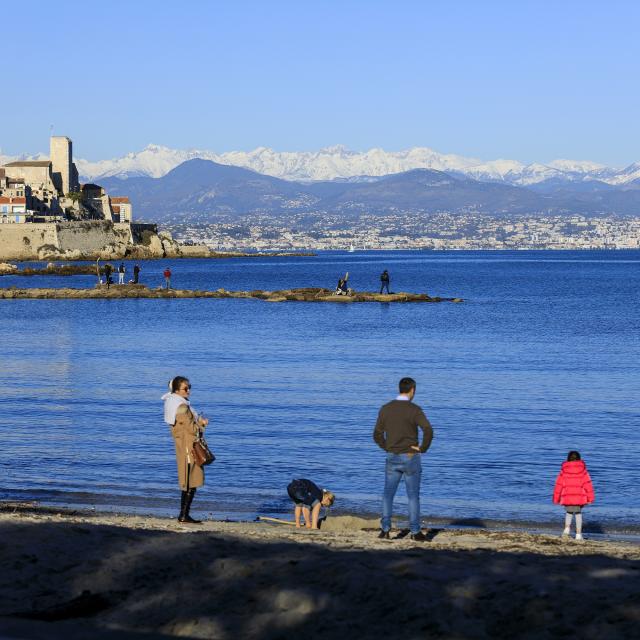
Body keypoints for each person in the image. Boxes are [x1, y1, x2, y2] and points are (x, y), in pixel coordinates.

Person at [373, 377, 434, 541]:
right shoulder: (414, 409)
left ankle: (385, 530)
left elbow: (377, 434)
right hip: (410, 456)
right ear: (412, 390)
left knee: (388, 495)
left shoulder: (386, 409)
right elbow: (428, 429)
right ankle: (415, 532)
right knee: (413, 496)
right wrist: (423, 448)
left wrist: (387, 447)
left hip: (392, 455)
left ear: (399, 389)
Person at [162, 376, 209, 523]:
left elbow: (179, 429)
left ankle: (184, 514)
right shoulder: (182, 407)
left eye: (189, 387)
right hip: (189, 448)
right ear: (176, 390)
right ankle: (183, 515)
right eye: (185, 388)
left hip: (183, 446)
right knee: (191, 481)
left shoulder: (172, 403)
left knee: (188, 481)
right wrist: (202, 423)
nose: (188, 391)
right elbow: (192, 430)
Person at [553, 450, 595, 541]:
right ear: (579, 459)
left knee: (569, 512)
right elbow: (588, 484)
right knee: (578, 514)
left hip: (567, 496)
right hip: (579, 497)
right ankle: (578, 534)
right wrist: (590, 498)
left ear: (568, 459)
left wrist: (556, 498)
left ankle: (567, 529)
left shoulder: (563, 470)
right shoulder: (583, 471)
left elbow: (558, 484)